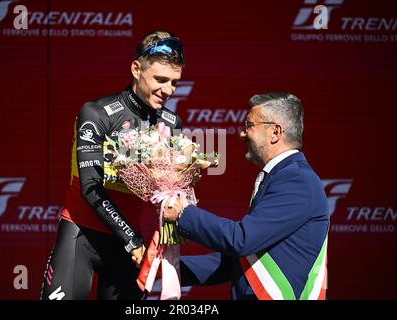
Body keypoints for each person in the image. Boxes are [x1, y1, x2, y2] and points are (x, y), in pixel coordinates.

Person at [40, 30, 185, 300]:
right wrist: (131, 240)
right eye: (160, 80)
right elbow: (90, 187)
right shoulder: (96, 113)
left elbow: (166, 192)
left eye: (175, 82)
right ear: (136, 69)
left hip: (130, 247)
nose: (168, 90)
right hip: (82, 234)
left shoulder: (171, 124)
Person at [162, 92, 329, 300]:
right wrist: (163, 268)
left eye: (249, 125)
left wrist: (183, 213)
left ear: (275, 132)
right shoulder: (282, 176)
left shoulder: (296, 180)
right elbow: (238, 260)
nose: (242, 134)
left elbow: (241, 240)